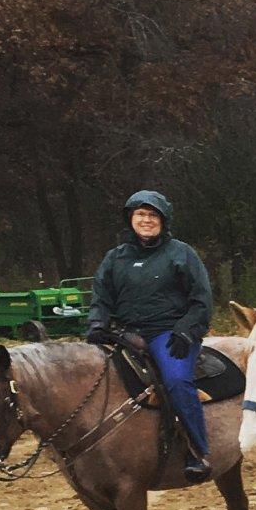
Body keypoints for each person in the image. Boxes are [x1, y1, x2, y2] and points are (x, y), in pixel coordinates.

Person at [86, 189, 214, 482]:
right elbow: (101, 297)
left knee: (176, 380)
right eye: (140, 214)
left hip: (169, 334)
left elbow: (202, 300)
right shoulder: (114, 258)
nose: (146, 220)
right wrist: (96, 323)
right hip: (124, 333)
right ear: (130, 218)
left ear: (163, 220)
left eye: (152, 215)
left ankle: (197, 450)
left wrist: (186, 329)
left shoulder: (181, 253)